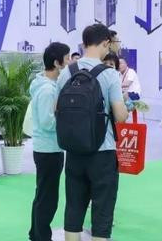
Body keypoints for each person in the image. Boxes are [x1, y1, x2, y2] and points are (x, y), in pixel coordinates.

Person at [57, 24, 129, 241]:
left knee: (74, 208)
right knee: (102, 211)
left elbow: (56, 109)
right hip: (102, 152)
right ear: (105, 43)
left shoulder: (67, 72)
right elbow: (120, 116)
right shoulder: (110, 74)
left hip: (74, 150)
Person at [29, 42, 71, 241]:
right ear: (56, 63)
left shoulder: (46, 85)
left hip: (47, 148)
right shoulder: (47, 90)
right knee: (48, 198)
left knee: (43, 194)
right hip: (49, 150)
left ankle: (36, 234)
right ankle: (41, 236)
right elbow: (48, 122)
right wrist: (68, 121)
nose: (70, 62)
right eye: (67, 58)